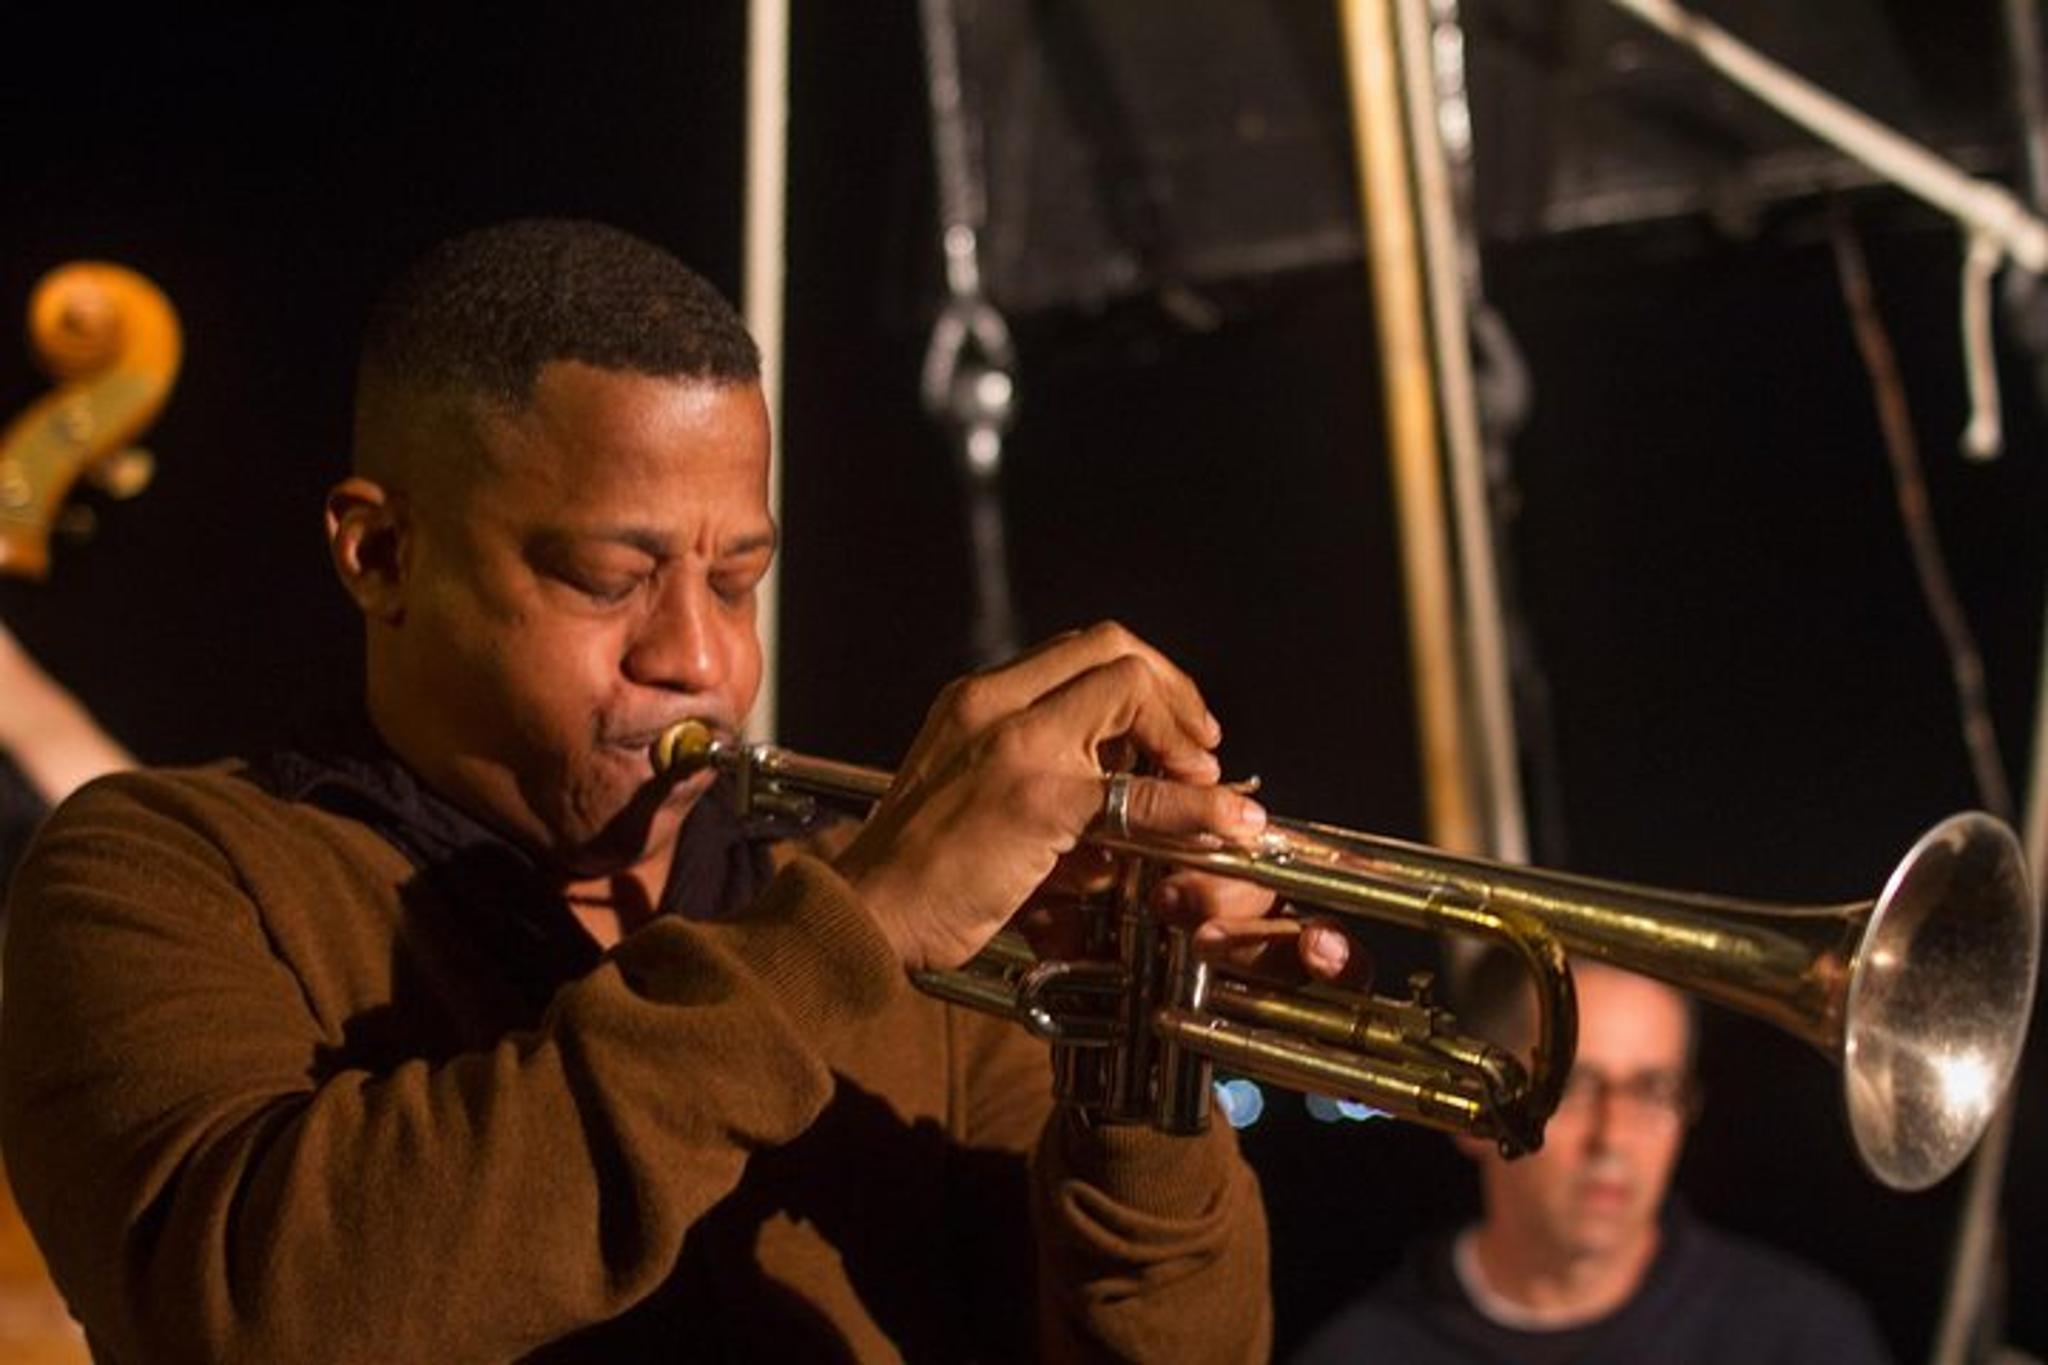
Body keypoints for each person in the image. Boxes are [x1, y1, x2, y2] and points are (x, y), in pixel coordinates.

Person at [0, 219, 1349, 1363]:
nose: (698, 658)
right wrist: (856, 931)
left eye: (737, 579)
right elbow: (261, 1316)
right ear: (381, 552)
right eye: (607, 578)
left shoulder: (919, 932)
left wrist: (1136, 1073)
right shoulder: (160, 870)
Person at [1293, 954, 1893, 1364]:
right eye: (1571, 1087)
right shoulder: (1360, 1352)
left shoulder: (1804, 1336)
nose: (1614, 1136)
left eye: (1653, 1090)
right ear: (1469, 1109)